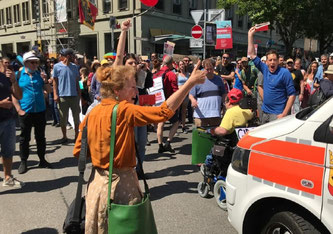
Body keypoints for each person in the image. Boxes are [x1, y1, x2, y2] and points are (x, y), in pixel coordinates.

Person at [73, 64, 206, 233]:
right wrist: (189, 84)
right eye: (132, 88)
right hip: (121, 186)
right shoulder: (123, 110)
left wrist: (103, 151)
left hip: (95, 185)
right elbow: (163, 113)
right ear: (116, 90)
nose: (135, 92)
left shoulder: (92, 112)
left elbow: (79, 152)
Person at [12, 51, 52, 174]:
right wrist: (18, 109)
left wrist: (45, 82)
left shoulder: (40, 75)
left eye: (36, 62)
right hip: (25, 111)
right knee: (25, 138)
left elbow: (48, 91)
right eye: (32, 62)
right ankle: (24, 162)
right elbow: (13, 93)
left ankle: (42, 159)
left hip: (40, 110)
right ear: (26, 63)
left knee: (41, 137)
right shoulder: (18, 75)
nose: (35, 64)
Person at [248, 27, 296, 124]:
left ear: (278, 61)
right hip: (264, 112)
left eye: (275, 60)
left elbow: (292, 95)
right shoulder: (264, 69)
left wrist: (283, 114)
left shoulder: (285, 73)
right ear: (266, 62)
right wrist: (250, 35)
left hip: (277, 115)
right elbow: (252, 55)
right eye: (270, 60)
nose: (272, 62)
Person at [0, 61, 24, 187]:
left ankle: (8, 177)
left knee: (8, 151)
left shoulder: (4, 76)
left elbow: (19, 96)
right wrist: (1, 104)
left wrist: (14, 81)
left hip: (8, 120)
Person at [53, 48, 81, 143]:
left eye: (61, 55)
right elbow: (55, 82)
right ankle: (64, 136)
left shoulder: (74, 67)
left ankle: (77, 135)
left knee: (76, 117)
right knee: (63, 118)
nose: (74, 57)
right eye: (72, 55)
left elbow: (77, 82)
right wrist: (55, 94)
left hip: (74, 96)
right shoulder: (57, 67)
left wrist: (79, 95)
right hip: (62, 96)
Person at [189, 58, 226, 127]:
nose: (209, 71)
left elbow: (224, 94)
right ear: (203, 68)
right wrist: (193, 100)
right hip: (201, 114)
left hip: (215, 114)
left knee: (215, 135)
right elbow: (191, 94)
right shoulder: (198, 79)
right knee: (201, 135)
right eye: (207, 69)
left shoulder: (219, 79)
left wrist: (224, 106)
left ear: (214, 68)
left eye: (211, 69)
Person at [154, 55, 179, 153]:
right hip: (170, 102)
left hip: (159, 101)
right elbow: (175, 90)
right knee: (176, 122)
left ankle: (160, 145)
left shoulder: (157, 74)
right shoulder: (171, 74)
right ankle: (168, 142)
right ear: (171, 63)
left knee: (161, 123)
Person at [177, 60, 190, 133]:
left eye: (182, 64)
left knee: (184, 111)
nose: (181, 66)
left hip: (186, 94)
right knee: (177, 111)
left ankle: (183, 126)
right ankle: (175, 127)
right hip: (179, 94)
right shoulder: (177, 74)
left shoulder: (188, 74)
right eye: (180, 64)